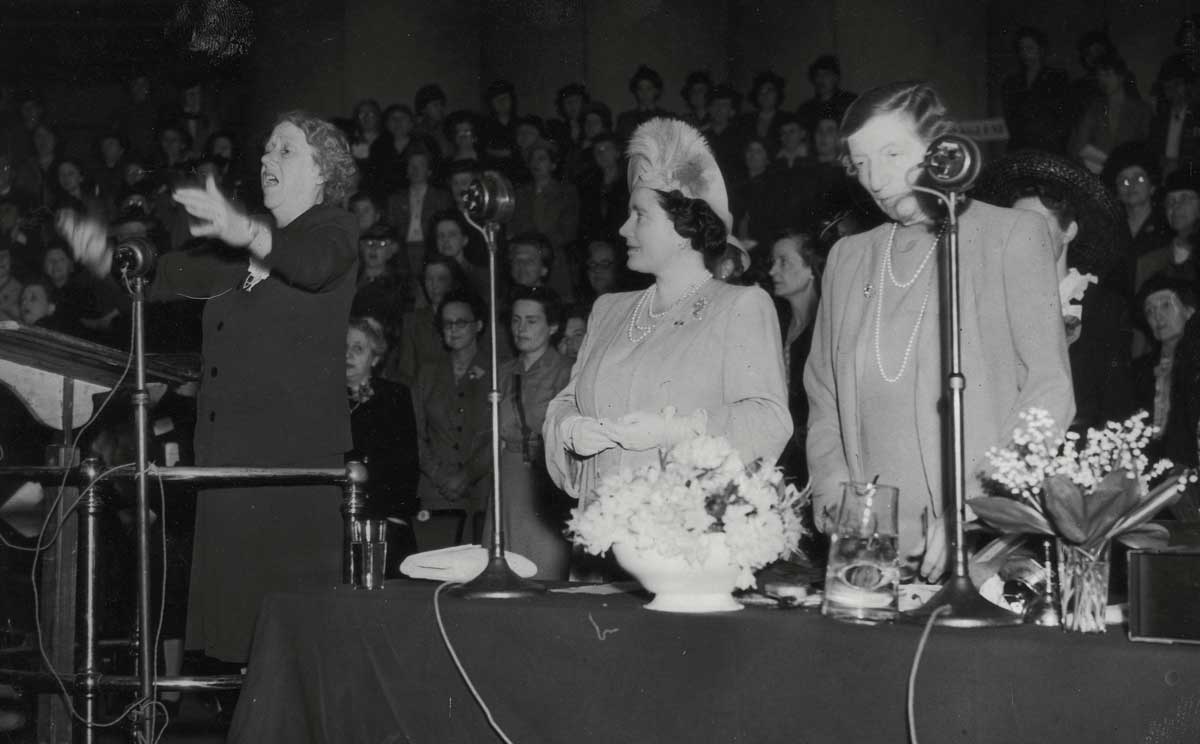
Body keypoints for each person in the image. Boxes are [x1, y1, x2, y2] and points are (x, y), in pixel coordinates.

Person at [57, 109, 360, 662]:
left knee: (296, 635)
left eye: (286, 150)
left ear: (323, 172)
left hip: (292, 465)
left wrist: (244, 228)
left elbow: (313, 266)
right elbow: (157, 276)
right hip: (230, 460)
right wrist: (105, 254)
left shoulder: (334, 228)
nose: (268, 158)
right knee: (242, 636)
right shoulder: (236, 254)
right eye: (266, 149)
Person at [804, 81, 1074, 581]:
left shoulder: (1011, 236)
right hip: (870, 549)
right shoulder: (847, 258)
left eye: (891, 153)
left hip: (982, 546)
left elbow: (1048, 390)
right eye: (861, 164)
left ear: (939, 148)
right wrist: (839, 501)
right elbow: (822, 396)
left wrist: (976, 509)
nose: (876, 180)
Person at [544, 117, 791, 511]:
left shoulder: (740, 307)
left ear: (682, 229)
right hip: (597, 531)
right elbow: (566, 401)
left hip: (684, 536)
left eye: (639, 215)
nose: (624, 229)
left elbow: (767, 420)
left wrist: (674, 431)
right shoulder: (608, 310)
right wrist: (568, 429)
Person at [975, 149, 1134, 433]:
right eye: (1015, 226)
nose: (1023, 237)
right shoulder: (994, 305)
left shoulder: (1103, 307)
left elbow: (1116, 406)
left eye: (1036, 225)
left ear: (1069, 231)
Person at [483, 285, 573, 579]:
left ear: (553, 326)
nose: (521, 328)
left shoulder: (567, 371)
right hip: (506, 478)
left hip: (544, 480)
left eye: (532, 320)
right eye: (516, 320)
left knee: (542, 570)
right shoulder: (503, 372)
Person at [413, 290, 493, 550]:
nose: (454, 329)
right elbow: (414, 432)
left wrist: (467, 475)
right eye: (447, 323)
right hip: (437, 492)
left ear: (478, 325)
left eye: (461, 322)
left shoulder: (497, 371)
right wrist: (438, 474)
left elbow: (498, 435)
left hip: (483, 490)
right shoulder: (427, 373)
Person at [345, 317, 420, 572]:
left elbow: (406, 467)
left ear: (375, 358)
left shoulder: (394, 397)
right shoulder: (324, 398)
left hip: (382, 518)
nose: (348, 355)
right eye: (343, 347)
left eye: (358, 348)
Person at [768, 232, 822, 488]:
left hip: (810, 459)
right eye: (773, 262)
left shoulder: (825, 328)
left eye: (784, 262)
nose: (772, 271)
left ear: (811, 268)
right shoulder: (778, 325)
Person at [1132, 276, 1198, 465]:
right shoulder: (1140, 370)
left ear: (1189, 310)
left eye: (1166, 306)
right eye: (1149, 311)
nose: (1157, 316)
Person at [1069, 52, 1152, 175]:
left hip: (1129, 172)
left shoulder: (1141, 109)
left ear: (1121, 76)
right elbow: (1077, 147)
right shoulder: (1094, 108)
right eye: (1100, 76)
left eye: (1108, 74)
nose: (1103, 80)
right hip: (1097, 173)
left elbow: (1147, 146)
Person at [1000, 26, 1071, 154]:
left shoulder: (1057, 77)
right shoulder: (1012, 81)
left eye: (1030, 48)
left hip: (1048, 146)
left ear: (1041, 49)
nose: (1025, 53)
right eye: (1022, 49)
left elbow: (1063, 116)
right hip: (1019, 145)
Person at [795, 55, 858, 131]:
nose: (820, 79)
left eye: (826, 74)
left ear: (836, 78)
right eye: (817, 75)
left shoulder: (850, 103)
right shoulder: (806, 109)